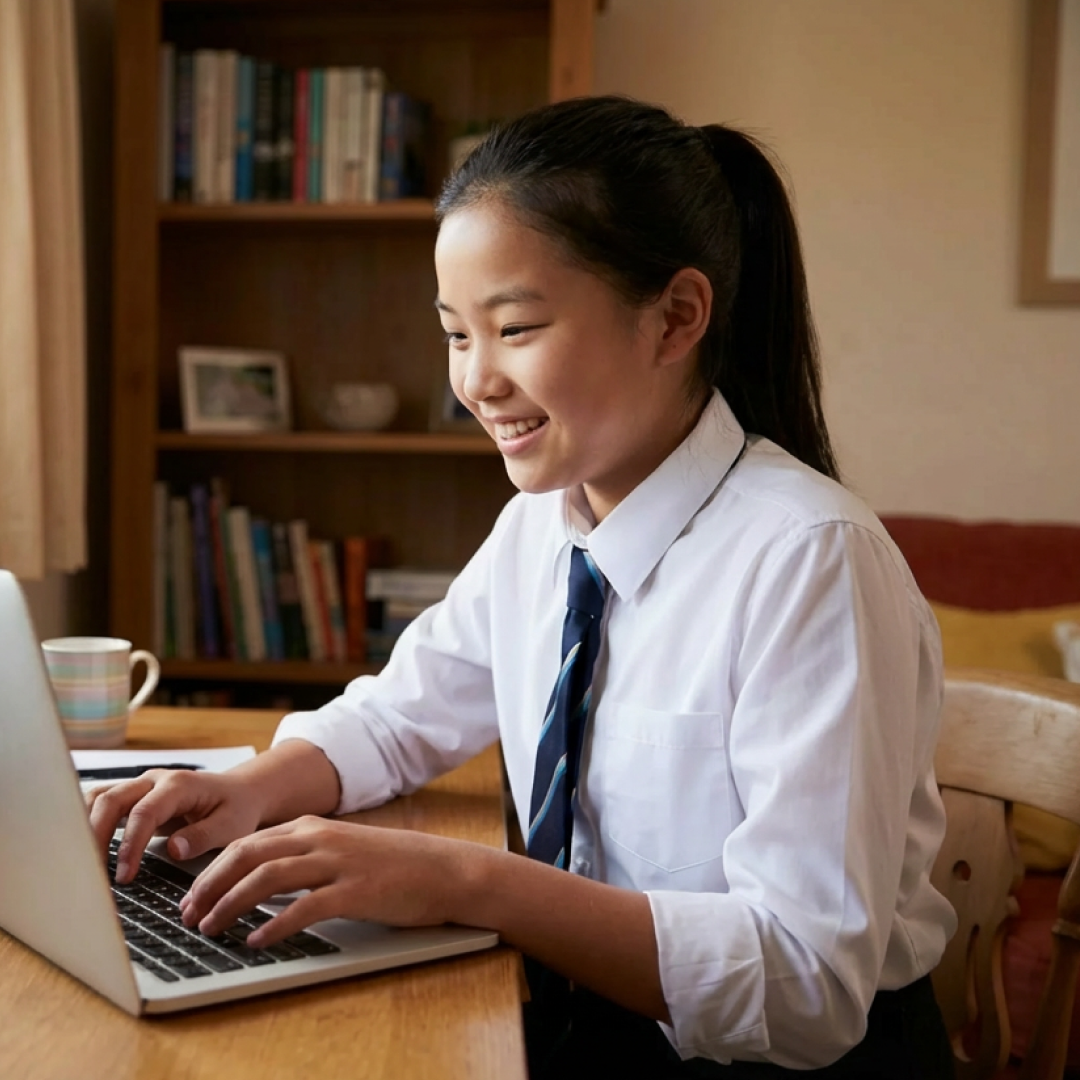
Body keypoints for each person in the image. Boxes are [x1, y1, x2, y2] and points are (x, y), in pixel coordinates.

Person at [88, 95, 957, 1078]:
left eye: (517, 328)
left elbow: (805, 988)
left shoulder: (809, 561)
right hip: (573, 1009)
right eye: (458, 334)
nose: (477, 381)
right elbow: (402, 714)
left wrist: (467, 880)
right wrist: (244, 790)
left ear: (676, 316)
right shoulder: (540, 529)